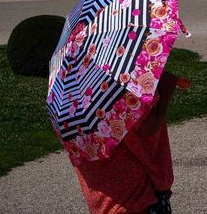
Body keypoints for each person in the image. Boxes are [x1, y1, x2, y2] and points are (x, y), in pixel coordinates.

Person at [74, 71, 188, 214]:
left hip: (102, 200)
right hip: (136, 198)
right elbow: (149, 127)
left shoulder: (72, 96)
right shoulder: (120, 83)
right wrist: (166, 89)